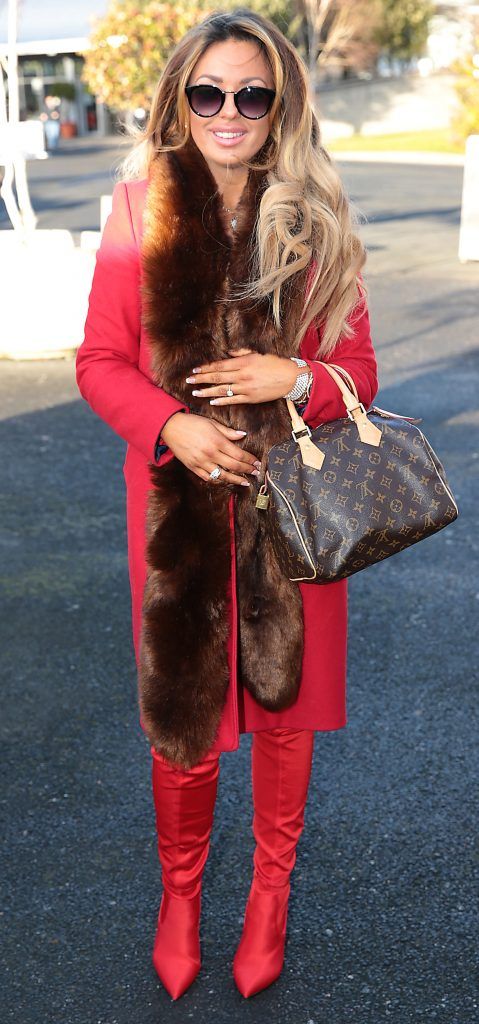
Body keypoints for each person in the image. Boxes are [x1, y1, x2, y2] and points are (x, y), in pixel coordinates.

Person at [76, 7, 378, 1002]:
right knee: (186, 712)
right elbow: (100, 364)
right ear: (179, 100)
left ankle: (267, 899)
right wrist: (173, 427)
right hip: (179, 515)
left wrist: (293, 376)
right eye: (209, 92)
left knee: (284, 712)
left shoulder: (318, 217)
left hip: (293, 510)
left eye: (252, 93)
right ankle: (178, 896)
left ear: (279, 101)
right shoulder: (137, 212)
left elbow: (358, 374)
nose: (230, 111)